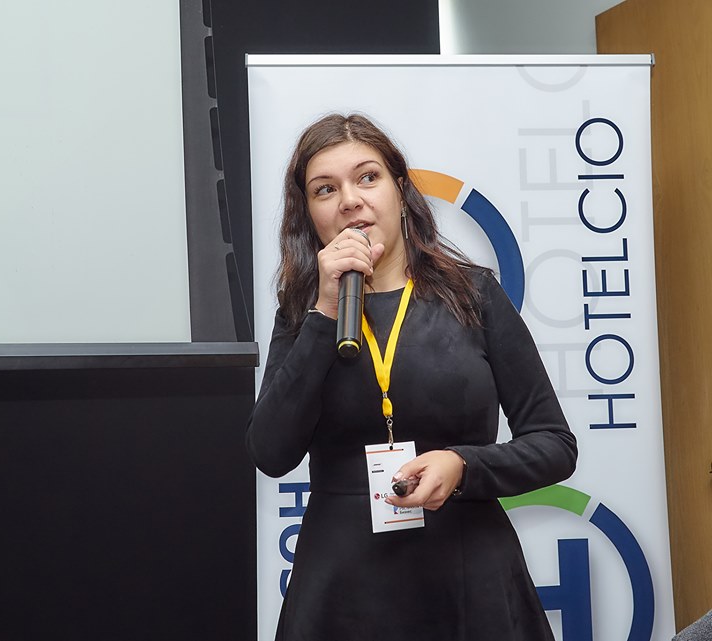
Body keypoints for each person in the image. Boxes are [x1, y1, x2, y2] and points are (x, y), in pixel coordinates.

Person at [246, 113, 578, 641]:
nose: (350, 200)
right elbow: (270, 451)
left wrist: (463, 465)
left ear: (400, 190)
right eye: (325, 189)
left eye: (367, 177)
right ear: (309, 214)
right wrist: (324, 312)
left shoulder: (473, 294)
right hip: (342, 589)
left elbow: (555, 444)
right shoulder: (303, 313)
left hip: (469, 577)